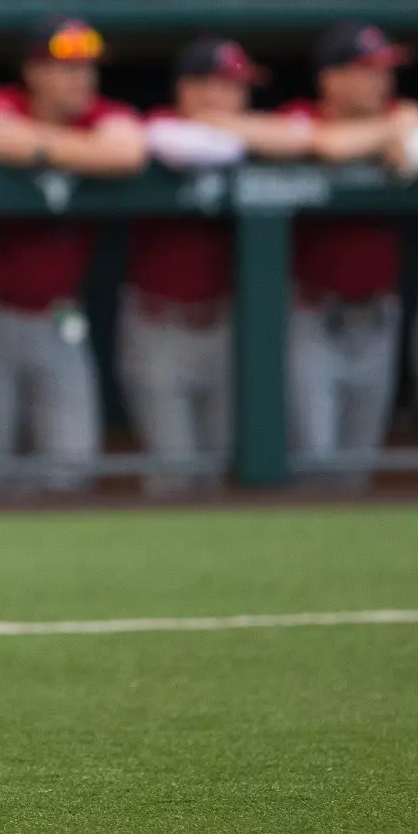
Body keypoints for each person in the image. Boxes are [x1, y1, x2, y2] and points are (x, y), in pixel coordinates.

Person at [0, 18, 146, 490]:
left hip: (58, 317)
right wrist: (81, 154)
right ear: (33, 71)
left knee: (73, 464)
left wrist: (42, 151)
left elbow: (128, 152)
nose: (81, 79)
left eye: (87, 68)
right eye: (65, 68)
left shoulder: (104, 115)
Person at [125, 39, 315, 495]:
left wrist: (234, 127)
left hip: (229, 325)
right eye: (221, 85)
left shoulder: (246, 131)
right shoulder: (158, 126)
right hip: (160, 324)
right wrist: (241, 133)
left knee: (218, 470)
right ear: (188, 89)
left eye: (239, 87)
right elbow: (187, 147)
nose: (232, 96)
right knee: (173, 473)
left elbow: (301, 137)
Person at [280, 23, 418, 486]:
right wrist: (389, 132)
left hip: (375, 315)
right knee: (313, 462)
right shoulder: (299, 116)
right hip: (312, 314)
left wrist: (396, 129)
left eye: (384, 70)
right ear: (330, 79)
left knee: (358, 469)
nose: (380, 81)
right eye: (366, 70)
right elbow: (328, 144)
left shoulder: (404, 116)